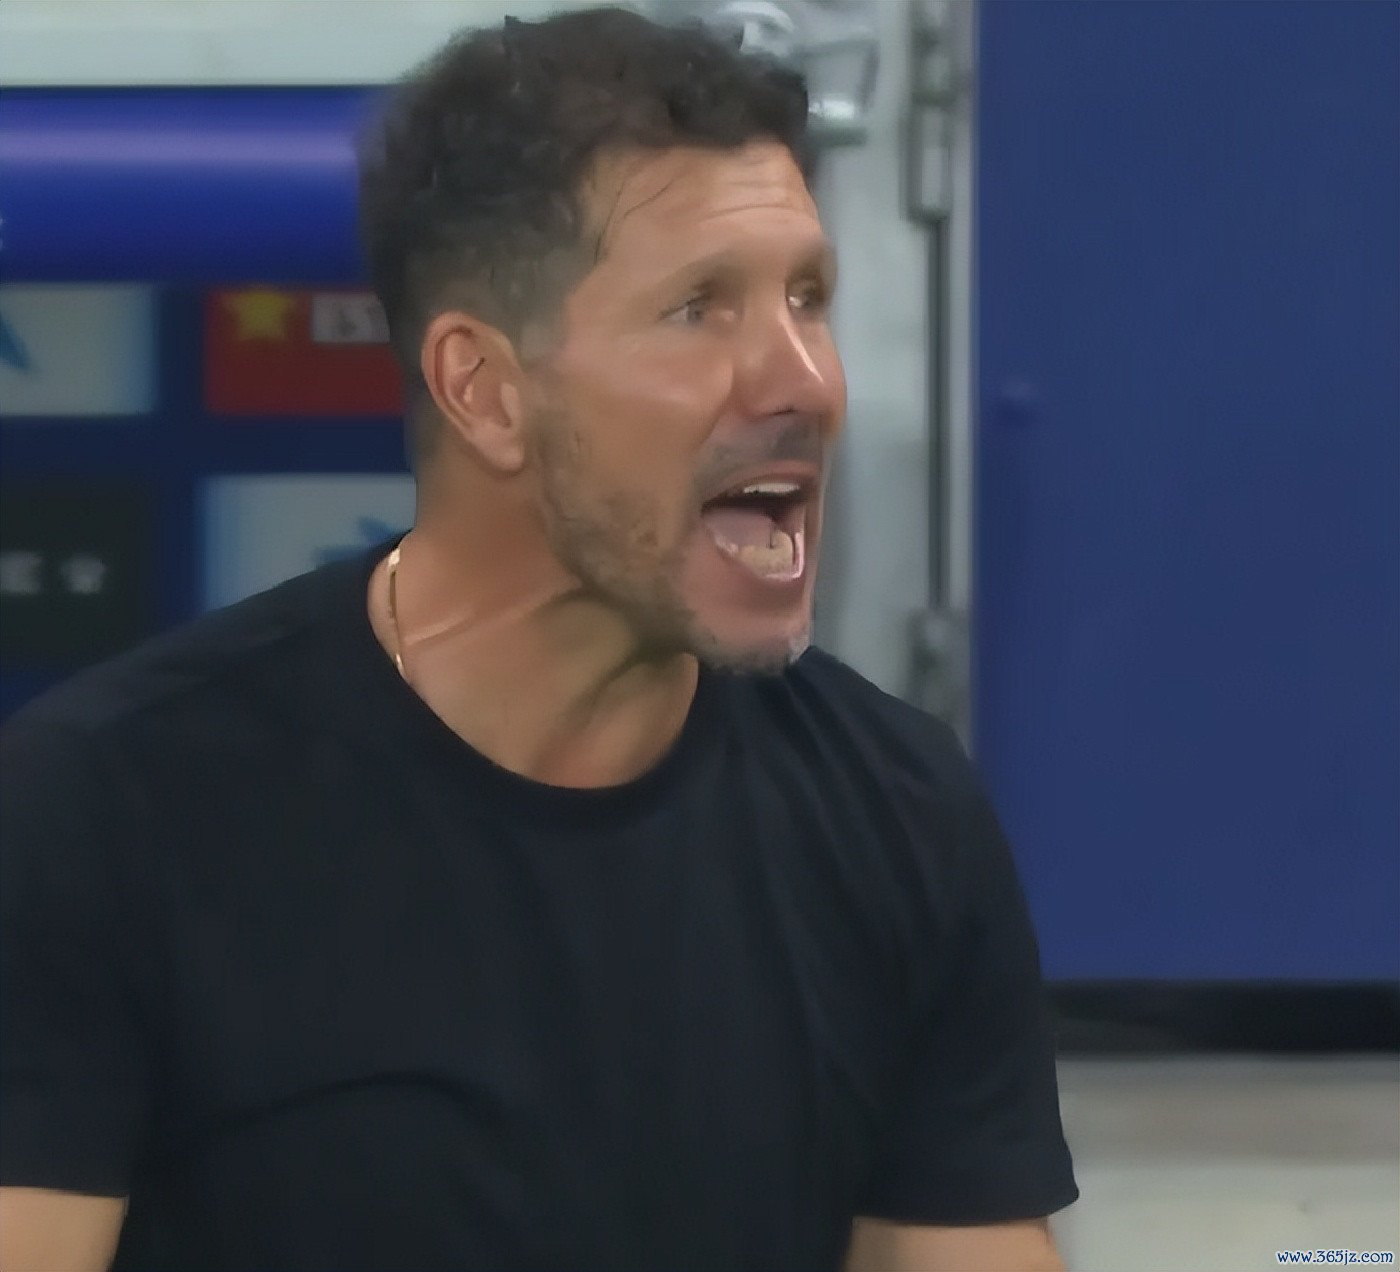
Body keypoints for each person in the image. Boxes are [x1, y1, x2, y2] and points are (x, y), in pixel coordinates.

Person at [0, 9, 1077, 1270]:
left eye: (806, 297)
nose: (804, 383)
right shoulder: (106, 813)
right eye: (699, 309)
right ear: (485, 391)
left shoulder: (898, 817)